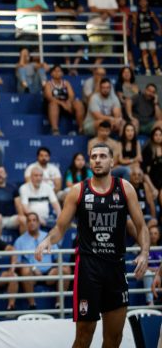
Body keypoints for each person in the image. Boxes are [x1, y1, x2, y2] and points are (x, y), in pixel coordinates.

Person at [36, 144, 149, 348]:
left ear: (112, 161)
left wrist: (145, 252)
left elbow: (141, 227)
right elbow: (59, 229)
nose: (97, 160)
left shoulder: (125, 188)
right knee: (84, 336)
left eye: (103, 156)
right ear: (90, 162)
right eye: (94, 156)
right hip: (88, 269)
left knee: (114, 338)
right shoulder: (78, 191)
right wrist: (47, 240)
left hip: (116, 268)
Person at [12, 213, 63, 309]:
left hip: (49, 272)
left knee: (65, 270)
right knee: (25, 270)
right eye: (29, 221)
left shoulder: (48, 237)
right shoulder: (20, 240)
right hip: (32, 274)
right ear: (26, 224)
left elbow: (57, 257)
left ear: (39, 223)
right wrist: (33, 268)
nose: (32, 223)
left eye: (34, 220)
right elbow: (17, 262)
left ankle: (59, 304)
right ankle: (32, 305)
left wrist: (55, 267)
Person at [44, 64, 85, 135]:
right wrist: (62, 103)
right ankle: (55, 129)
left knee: (78, 103)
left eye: (59, 71)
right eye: (55, 71)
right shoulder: (48, 84)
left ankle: (81, 128)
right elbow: (49, 97)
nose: (57, 73)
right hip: (54, 103)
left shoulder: (66, 83)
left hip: (66, 103)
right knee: (53, 104)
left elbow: (71, 95)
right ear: (51, 73)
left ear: (62, 73)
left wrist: (68, 102)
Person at [134, 0, 162, 76]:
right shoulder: (137, 13)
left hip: (150, 35)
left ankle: (157, 69)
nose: (143, 2)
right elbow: (135, 26)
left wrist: (159, 30)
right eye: (141, 1)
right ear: (139, 3)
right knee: (144, 53)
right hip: (142, 36)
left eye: (144, 1)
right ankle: (147, 70)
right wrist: (134, 36)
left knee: (153, 52)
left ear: (147, 2)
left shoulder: (150, 12)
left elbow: (157, 22)